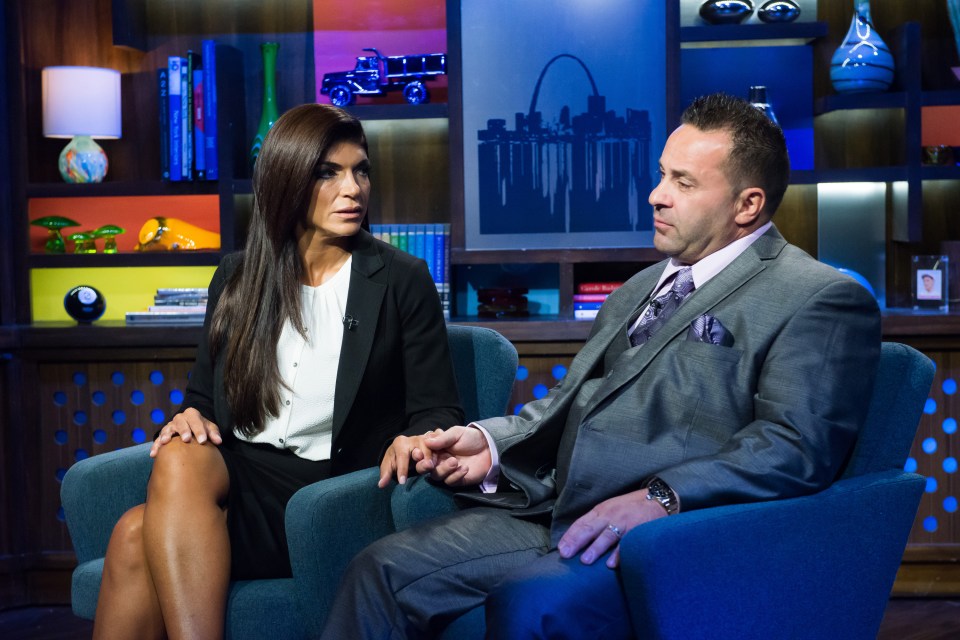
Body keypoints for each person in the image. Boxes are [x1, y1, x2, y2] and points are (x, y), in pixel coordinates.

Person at [321, 93, 882, 639]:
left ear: (748, 204)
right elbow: (570, 401)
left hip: (671, 534)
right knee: (380, 570)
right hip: (554, 507)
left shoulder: (817, 296)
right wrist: (487, 443)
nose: (656, 196)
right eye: (663, 175)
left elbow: (794, 446)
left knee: (532, 604)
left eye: (683, 183)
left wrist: (662, 497)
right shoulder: (640, 286)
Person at [93, 103, 464, 639]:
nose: (353, 188)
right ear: (287, 179)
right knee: (178, 453)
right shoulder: (237, 278)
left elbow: (440, 408)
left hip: (331, 493)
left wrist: (414, 438)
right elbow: (200, 398)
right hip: (241, 481)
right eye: (328, 173)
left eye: (360, 170)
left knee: (134, 533)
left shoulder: (401, 278)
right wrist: (187, 420)